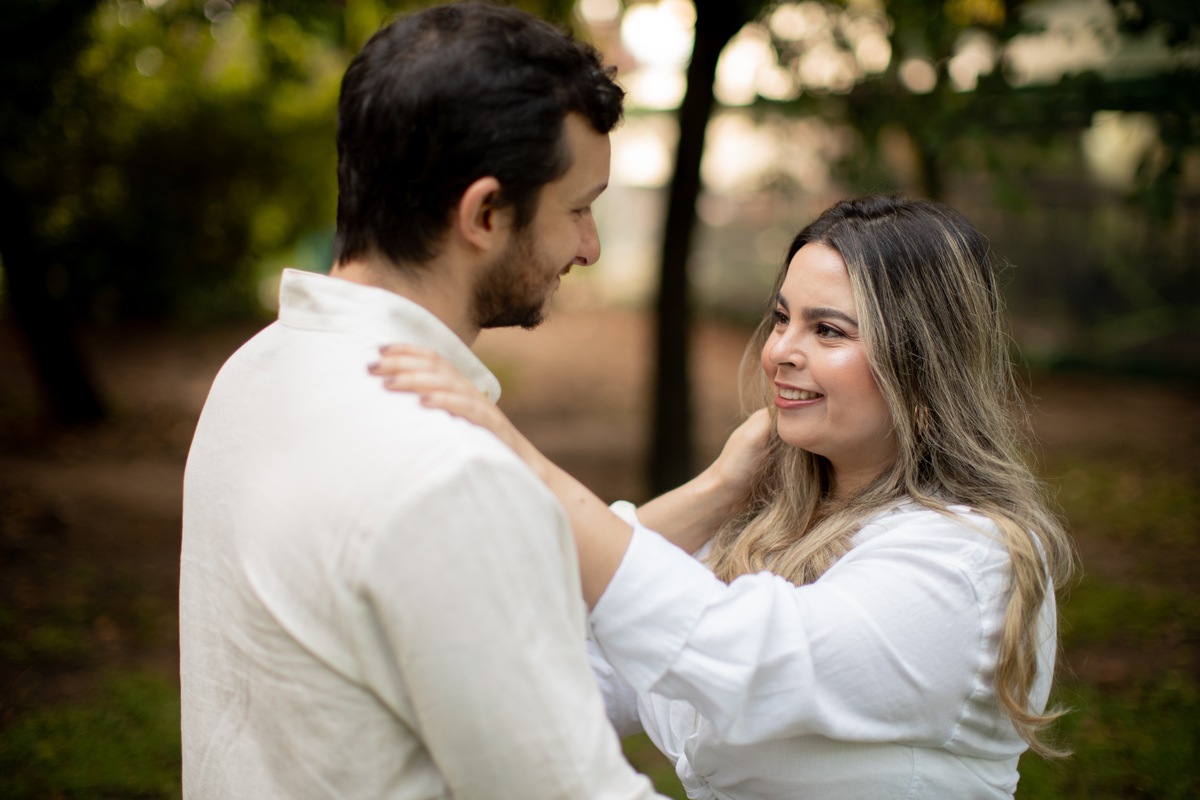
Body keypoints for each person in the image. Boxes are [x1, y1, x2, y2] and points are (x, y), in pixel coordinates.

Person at [371, 194, 1078, 799]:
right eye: (781, 318)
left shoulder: (965, 560)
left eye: (827, 329)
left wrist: (522, 460)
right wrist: (716, 489)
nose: (780, 351)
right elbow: (573, 641)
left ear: (923, 373)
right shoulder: (759, 531)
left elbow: (745, 657)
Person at [179, 4, 664, 799]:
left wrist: (716, 493)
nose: (590, 246)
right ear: (484, 214)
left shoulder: (255, 372)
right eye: (579, 207)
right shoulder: (448, 474)